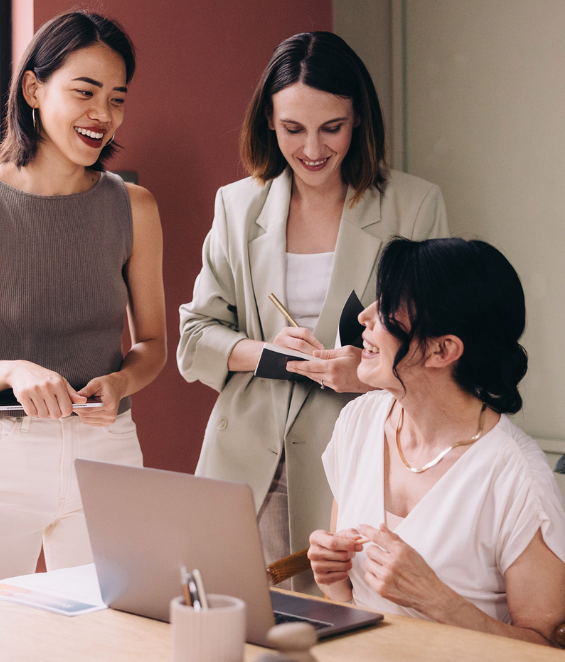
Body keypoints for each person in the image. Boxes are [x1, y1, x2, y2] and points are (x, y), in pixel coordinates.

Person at [177, 31, 448, 577]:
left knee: (333, 638)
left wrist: (369, 373)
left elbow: (439, 348)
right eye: (293, 129)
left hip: (356, 465)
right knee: (229, 629)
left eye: (332, 128)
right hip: (240, 461)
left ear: (359, 120)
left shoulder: (414, 206)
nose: (312, 150)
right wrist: (266, 354)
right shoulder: (236, 206)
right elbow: (194, 338)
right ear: (269, 123)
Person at [0, 10, 166, 593]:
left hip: (107, 450)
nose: (102, 115)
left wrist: (122, 383)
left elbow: (153, 346)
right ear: (34, 88)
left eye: (117, 98)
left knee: (118, 639)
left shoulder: (135, 207)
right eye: (85, 92)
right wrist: (11, 370)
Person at [309, 237, 565, 645]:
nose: (365, 316)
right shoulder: (357, 423)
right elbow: (352, 605)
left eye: (387, 308)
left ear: (442, 349)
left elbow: (545, 649)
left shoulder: (516, 476)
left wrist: (438, 601)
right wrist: (334, 579)